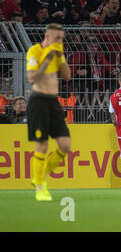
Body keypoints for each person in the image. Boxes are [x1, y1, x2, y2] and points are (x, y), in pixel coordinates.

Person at [26, 23, 72, 201]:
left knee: (65, 146)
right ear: (47, 37)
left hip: (54, 101)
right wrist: (48, 58)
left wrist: (60, 59)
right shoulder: (35, 51)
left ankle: (40, 174)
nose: (60, 41)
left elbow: (67, 77)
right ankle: (40, 187)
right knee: (42, 144)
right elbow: (32, 78)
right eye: (57, 38)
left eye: (62, 39)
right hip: (38, 100)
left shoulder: (58, 54)